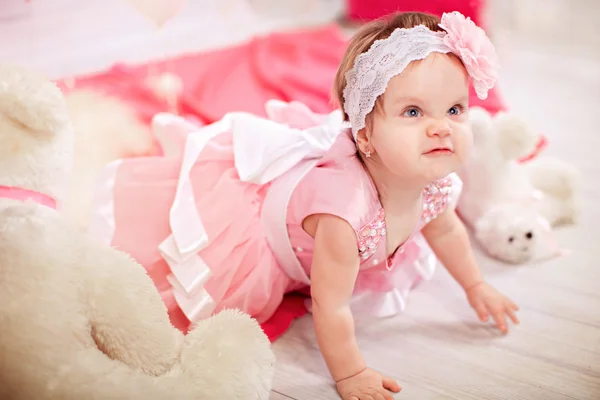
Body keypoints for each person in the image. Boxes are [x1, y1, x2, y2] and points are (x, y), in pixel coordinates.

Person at [88, 11, 519, 400]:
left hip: (322, 217)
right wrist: (350, 374)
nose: (441, 128)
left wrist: (475, 286)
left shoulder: (435, 183)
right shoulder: (345, 216)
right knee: (181, 276)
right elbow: (331, 306)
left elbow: (446, 231)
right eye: (413, 112)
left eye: (455, 109)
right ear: (364, 137)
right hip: (268, 231)